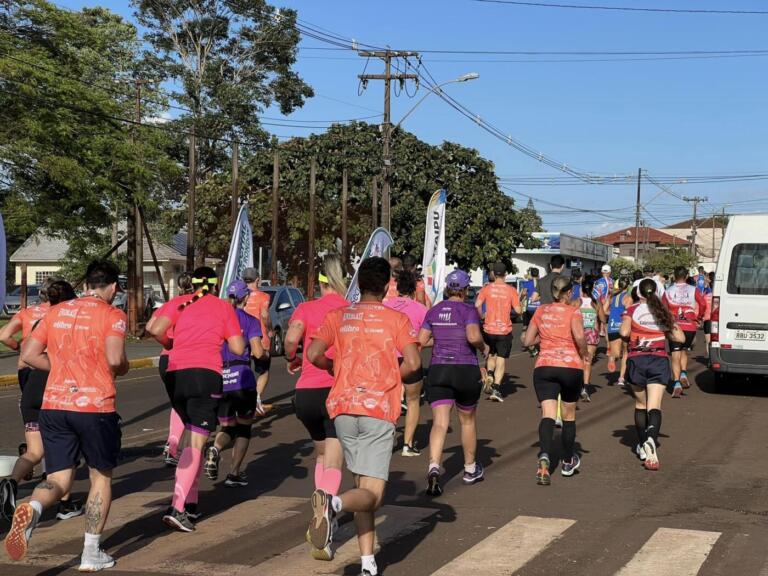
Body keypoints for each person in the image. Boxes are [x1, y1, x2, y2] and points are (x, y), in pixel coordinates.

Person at [5, 260, 128, 571]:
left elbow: (29, 354)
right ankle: (90, 553)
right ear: (112, 287)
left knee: (58, 478)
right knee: (101, 476)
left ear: (87, 283)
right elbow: (114, 359)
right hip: (94, 406)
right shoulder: (113, 315)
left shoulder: (55, 312)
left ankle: (32, 508)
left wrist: (60, 368)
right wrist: (121, 368)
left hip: (54, 405)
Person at [305, 257, 421, 576]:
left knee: (361, 486)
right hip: (377, 409)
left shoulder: (337, 315)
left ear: (358, 285)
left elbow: (313, 354)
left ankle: (368, 562)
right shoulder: (395, 319)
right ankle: (333, 505)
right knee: (371, 495)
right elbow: (413, 363)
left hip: (342, 408)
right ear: (386, 287)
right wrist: (389, 377)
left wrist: (333, 368)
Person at [155, 267, 244, 532]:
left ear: (192, 284)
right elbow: (238, 347)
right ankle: (177, 507)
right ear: (216, 286)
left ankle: (191, 504)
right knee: (196, 443)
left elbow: (154, 327)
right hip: (206, 375)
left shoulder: (179, 302)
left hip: (175, 374)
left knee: (192, 439)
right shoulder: (223, 307)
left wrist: (170, 343)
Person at [0, 280, 83, 523]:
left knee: (36, 450)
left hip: (31, 388)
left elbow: (24, 349)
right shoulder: (70, 322)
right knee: (65, 448)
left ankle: (11, 482)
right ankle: (65, 504)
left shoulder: (36, 319)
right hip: (54, 389)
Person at [284, 255, 348, 562]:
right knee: (336, 457)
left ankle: (320, 507)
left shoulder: (305, 308)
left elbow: (291, 339)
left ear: (319, 281)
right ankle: (325, 515)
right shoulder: (348, 310)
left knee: (322, 454)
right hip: (335, 390)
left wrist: (293, 359)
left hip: (306, 394)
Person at [419, 270, 486, 496]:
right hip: (465, 368)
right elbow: (474, 336)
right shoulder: (469, 310)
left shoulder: (434, 310)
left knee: (439, 422)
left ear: (448, 288)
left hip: (439, 369)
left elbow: (421, 340)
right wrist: (484, 348)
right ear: (466, 290)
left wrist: (442, 336)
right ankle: (469, 469)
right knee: (467, 421)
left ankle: (434, 466)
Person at [523, 276, 587, 485]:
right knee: (568, 416)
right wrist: (584, 352)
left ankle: (544, 457)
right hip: (570, 367)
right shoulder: (573, 312)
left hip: (544, 367)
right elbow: (578, 336)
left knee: (548, 414)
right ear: (569, 293)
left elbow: (527, 341)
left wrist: (546, 338)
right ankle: (568, 461)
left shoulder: (541, 311)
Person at [205, 280, 266, 488]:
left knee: (227, 425)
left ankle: (215, 448)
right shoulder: (250, 320)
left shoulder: (217, 319)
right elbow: (257, 352)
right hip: (243, 378)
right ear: (246, 298)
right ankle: (233, 472)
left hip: (221, 377)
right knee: (244, 428)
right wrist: (264, 355)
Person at [620, 279, 685, 471]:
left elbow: (624, 331)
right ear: (655, 292)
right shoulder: (663, 311)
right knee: (654, 406)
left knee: (640, 404)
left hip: (636, 360)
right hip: (658, 360)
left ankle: (642, 445)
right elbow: (680, 337)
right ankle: (651, 439)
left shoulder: (631, 310)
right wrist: (663, 331)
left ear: (638, 293)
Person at [146, 272, 195, 467]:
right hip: (188, 359)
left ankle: (172, 445)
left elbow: (151, 326)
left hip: (166, 360)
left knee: (178, 403)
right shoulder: (198, 303)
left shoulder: (171, 304)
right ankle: (188, 449)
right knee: (193, 405)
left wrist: (168, 343)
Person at [384, 269, 427, 457]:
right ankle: (407, 445)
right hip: (410, 358)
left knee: (387, 399)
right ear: (414, 289)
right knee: (413, 400)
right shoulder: (421, 309)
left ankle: (387, 438)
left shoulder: (385, 306)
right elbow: (426, 338)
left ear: (397, 288)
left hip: (387, 359)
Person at [475, 262, 521, 402]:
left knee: (491, 354)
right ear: (506, 274)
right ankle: (496, 388)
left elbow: (477, 305)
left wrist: (482, 316)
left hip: (488, 328)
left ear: (494, 274)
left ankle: (489, 373)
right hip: (503, 330)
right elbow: (518, 311)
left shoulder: (486, 289)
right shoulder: (511, 290)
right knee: (500, 359)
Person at [663, 266, 706, 397]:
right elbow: (703, 304)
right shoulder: (694, 290)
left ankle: (676, 383)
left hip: (675, 327)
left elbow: (663, 309)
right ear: (686, 276)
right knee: (684, 350)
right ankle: (683, 373)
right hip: (689, 326)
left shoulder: (668, 291)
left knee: (675, 354)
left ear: (674, 276)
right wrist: (698, 317)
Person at [242, 268, 273, 416]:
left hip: (242, 338)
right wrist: (270, 329)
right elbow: (265, 315)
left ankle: (245, 400)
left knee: (245, 369)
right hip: (260, 337)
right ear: (257, 280)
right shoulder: (264, 296)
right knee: (264, 371)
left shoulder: (239, 296)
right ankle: (256, 399)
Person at [578, 279, 605, 402]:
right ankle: (585, 387)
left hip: (578, 334)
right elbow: (603, 319)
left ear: (581, 289)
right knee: (587, 362)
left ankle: (575, 386)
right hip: (592, 334)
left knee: (577, 361)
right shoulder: (596, 303)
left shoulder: (576, 302)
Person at [605, 276, 632, 386]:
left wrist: (612, 315)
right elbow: (629, 313)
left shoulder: (612, 297)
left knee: (615, 352)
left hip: (612, 326)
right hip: (622, 326)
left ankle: (612, 358)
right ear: (628, 286)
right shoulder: (628, 298)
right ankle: (621, 378)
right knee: (625, 352)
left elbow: (605, 309)